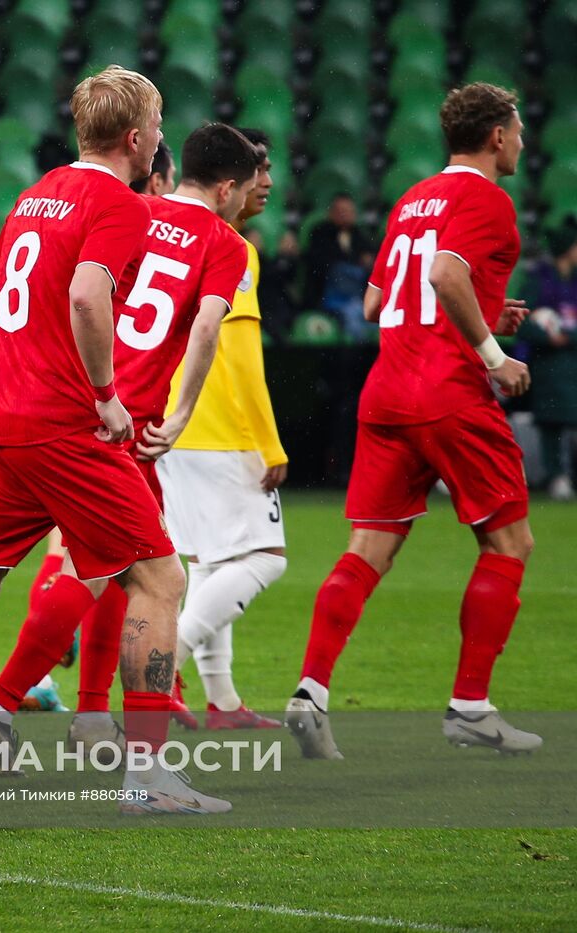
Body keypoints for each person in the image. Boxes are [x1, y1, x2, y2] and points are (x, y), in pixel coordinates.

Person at [0, 66, 230, 817]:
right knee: (159, 581)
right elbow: (88, 296)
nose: (161, 140)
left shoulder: (36, 195)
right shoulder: (119, 203)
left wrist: (31, 354)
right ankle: (148, 776)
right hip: (64, 426)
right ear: (137, 138)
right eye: (157, 128)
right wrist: (103, 393)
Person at [0, 123, 257, 762]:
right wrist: (179, 416)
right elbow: (205, 328)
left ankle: (86, 714)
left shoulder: (132, 210)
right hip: (124, 423)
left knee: (102, 574)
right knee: (138, 577)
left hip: (71, 407)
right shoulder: (224, 242)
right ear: (229, 187)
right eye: (255, 184)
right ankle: (15, 706)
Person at [286, 83, 540, 759]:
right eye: (516, 130)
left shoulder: (412, 199)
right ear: (495, 137)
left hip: (388, 392)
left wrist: (483, 312)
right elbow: (446, 275)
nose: (520, 141)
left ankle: (310, 691)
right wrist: (494, 354)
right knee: (510, 544)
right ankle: (470, 708)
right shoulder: (488, 199)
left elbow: (376, 301)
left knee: (368, 550)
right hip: (449, 392)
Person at [158, 127, 289, 730]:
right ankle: (161, 666)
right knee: (265, 558)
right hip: (219, 423)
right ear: (231, 181)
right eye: (257, 171)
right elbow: (237, 353)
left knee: (211, 562)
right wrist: (270, 441)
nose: (265, 183)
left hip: (165, 421)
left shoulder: (154, 224)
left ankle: (224, 702)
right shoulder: (230, 246)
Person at [517, 219, 577, 500]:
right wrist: (548, 338)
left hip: (572, 360)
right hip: (548, 365)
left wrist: (569, 337)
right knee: (551, 422)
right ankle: (556, 476)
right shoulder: (537, 281)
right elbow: (521, 322)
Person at [304, 192, 373, 340]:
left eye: (348, 211)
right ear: (331, 213)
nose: (345, 215)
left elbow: (369, 260)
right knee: (352, 317)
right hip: (328, 297)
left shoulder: (359, 235)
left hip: (358, 297)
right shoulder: (320, 233)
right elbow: (324, 264)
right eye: (340, 211)